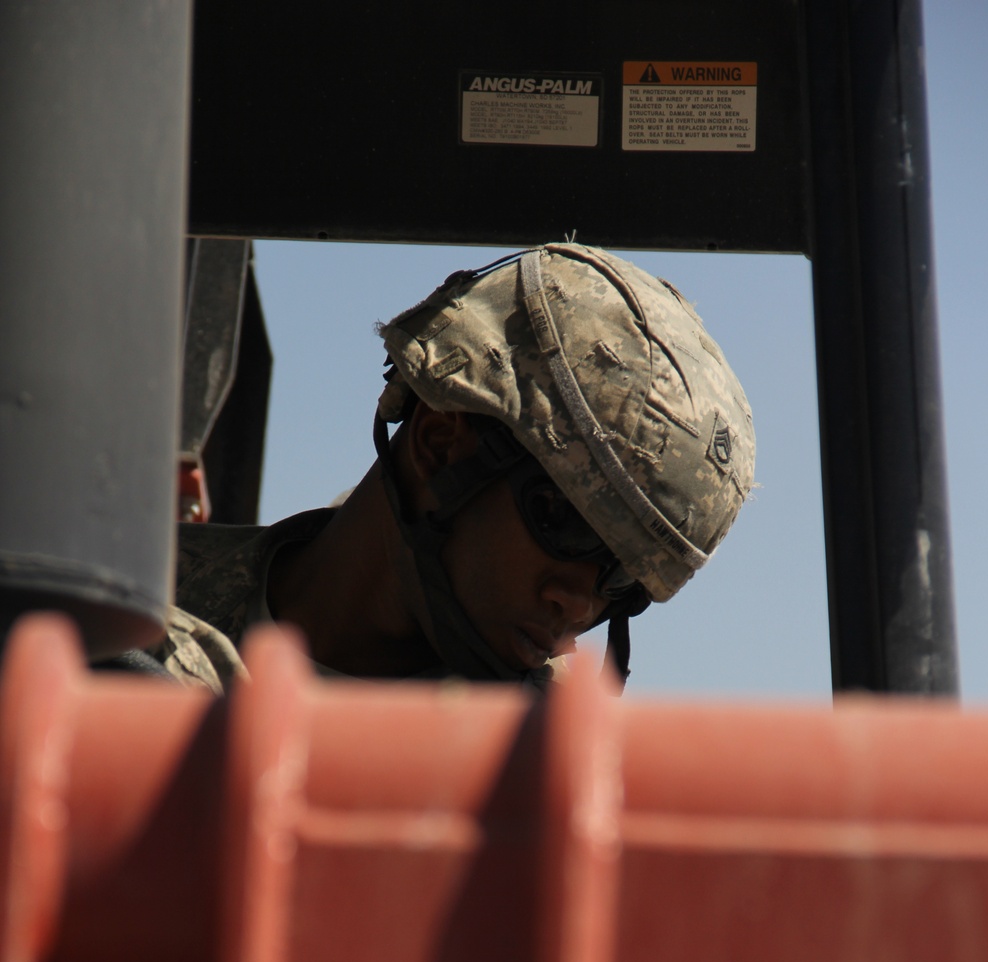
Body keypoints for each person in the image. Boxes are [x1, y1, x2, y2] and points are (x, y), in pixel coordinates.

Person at [150, 242, 755, 695]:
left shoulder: (548, 784)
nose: (581, 605)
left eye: (622, 584)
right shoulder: (121, 617)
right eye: (567, 527)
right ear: (440, 443)